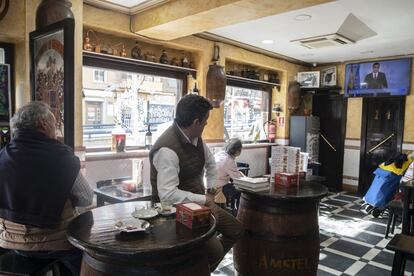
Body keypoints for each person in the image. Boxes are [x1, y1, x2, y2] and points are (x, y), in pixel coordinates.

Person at [149, 94, 243, 272]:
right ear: (196, 122)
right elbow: (167, 195)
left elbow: (211, 165)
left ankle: (200, 268)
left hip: (200, 204)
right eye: (206, 120)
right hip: (173, 212)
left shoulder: (196, 139)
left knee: (236, 229)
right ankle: (199, 267)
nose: (207, 124)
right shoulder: (167, 149)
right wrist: (205, 200)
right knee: (214, 252)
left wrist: (210, 191)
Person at [0, 101, 93, 276]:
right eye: (54, 122)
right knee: (90, 259)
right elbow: (86, 197)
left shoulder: (3, 157)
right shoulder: (60, 157)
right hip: (57, 244)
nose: (55, 128)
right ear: (43, 123)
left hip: (12, 244)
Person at [214, 138, 244, 206]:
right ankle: (237, 213)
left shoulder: (220, 154)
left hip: (208, 184)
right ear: (237, 150)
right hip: (218, 187)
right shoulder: (229, 161)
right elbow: (237, 179)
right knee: (242, 192)